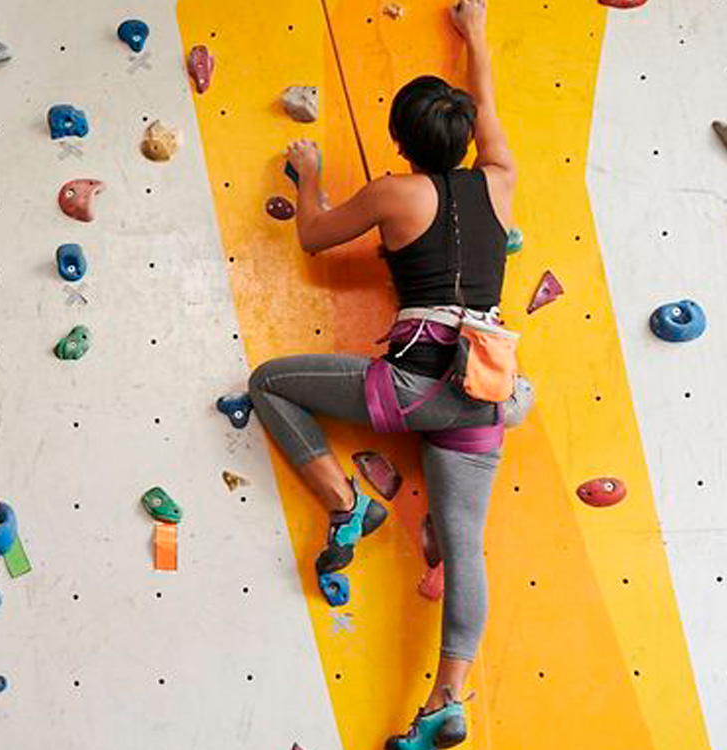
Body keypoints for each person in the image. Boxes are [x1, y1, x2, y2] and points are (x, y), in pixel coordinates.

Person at [246, 1, 534, 747]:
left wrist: (310, 173)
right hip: (486, 393)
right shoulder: (500, 179)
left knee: (269, 382)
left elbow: (314, 236)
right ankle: (447, 698)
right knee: (464, 549)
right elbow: (488, 106)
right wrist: (474, 33)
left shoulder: (392, 193)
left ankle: (346, 505)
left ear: (399, 140)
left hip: (412, 388)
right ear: (467, 137)